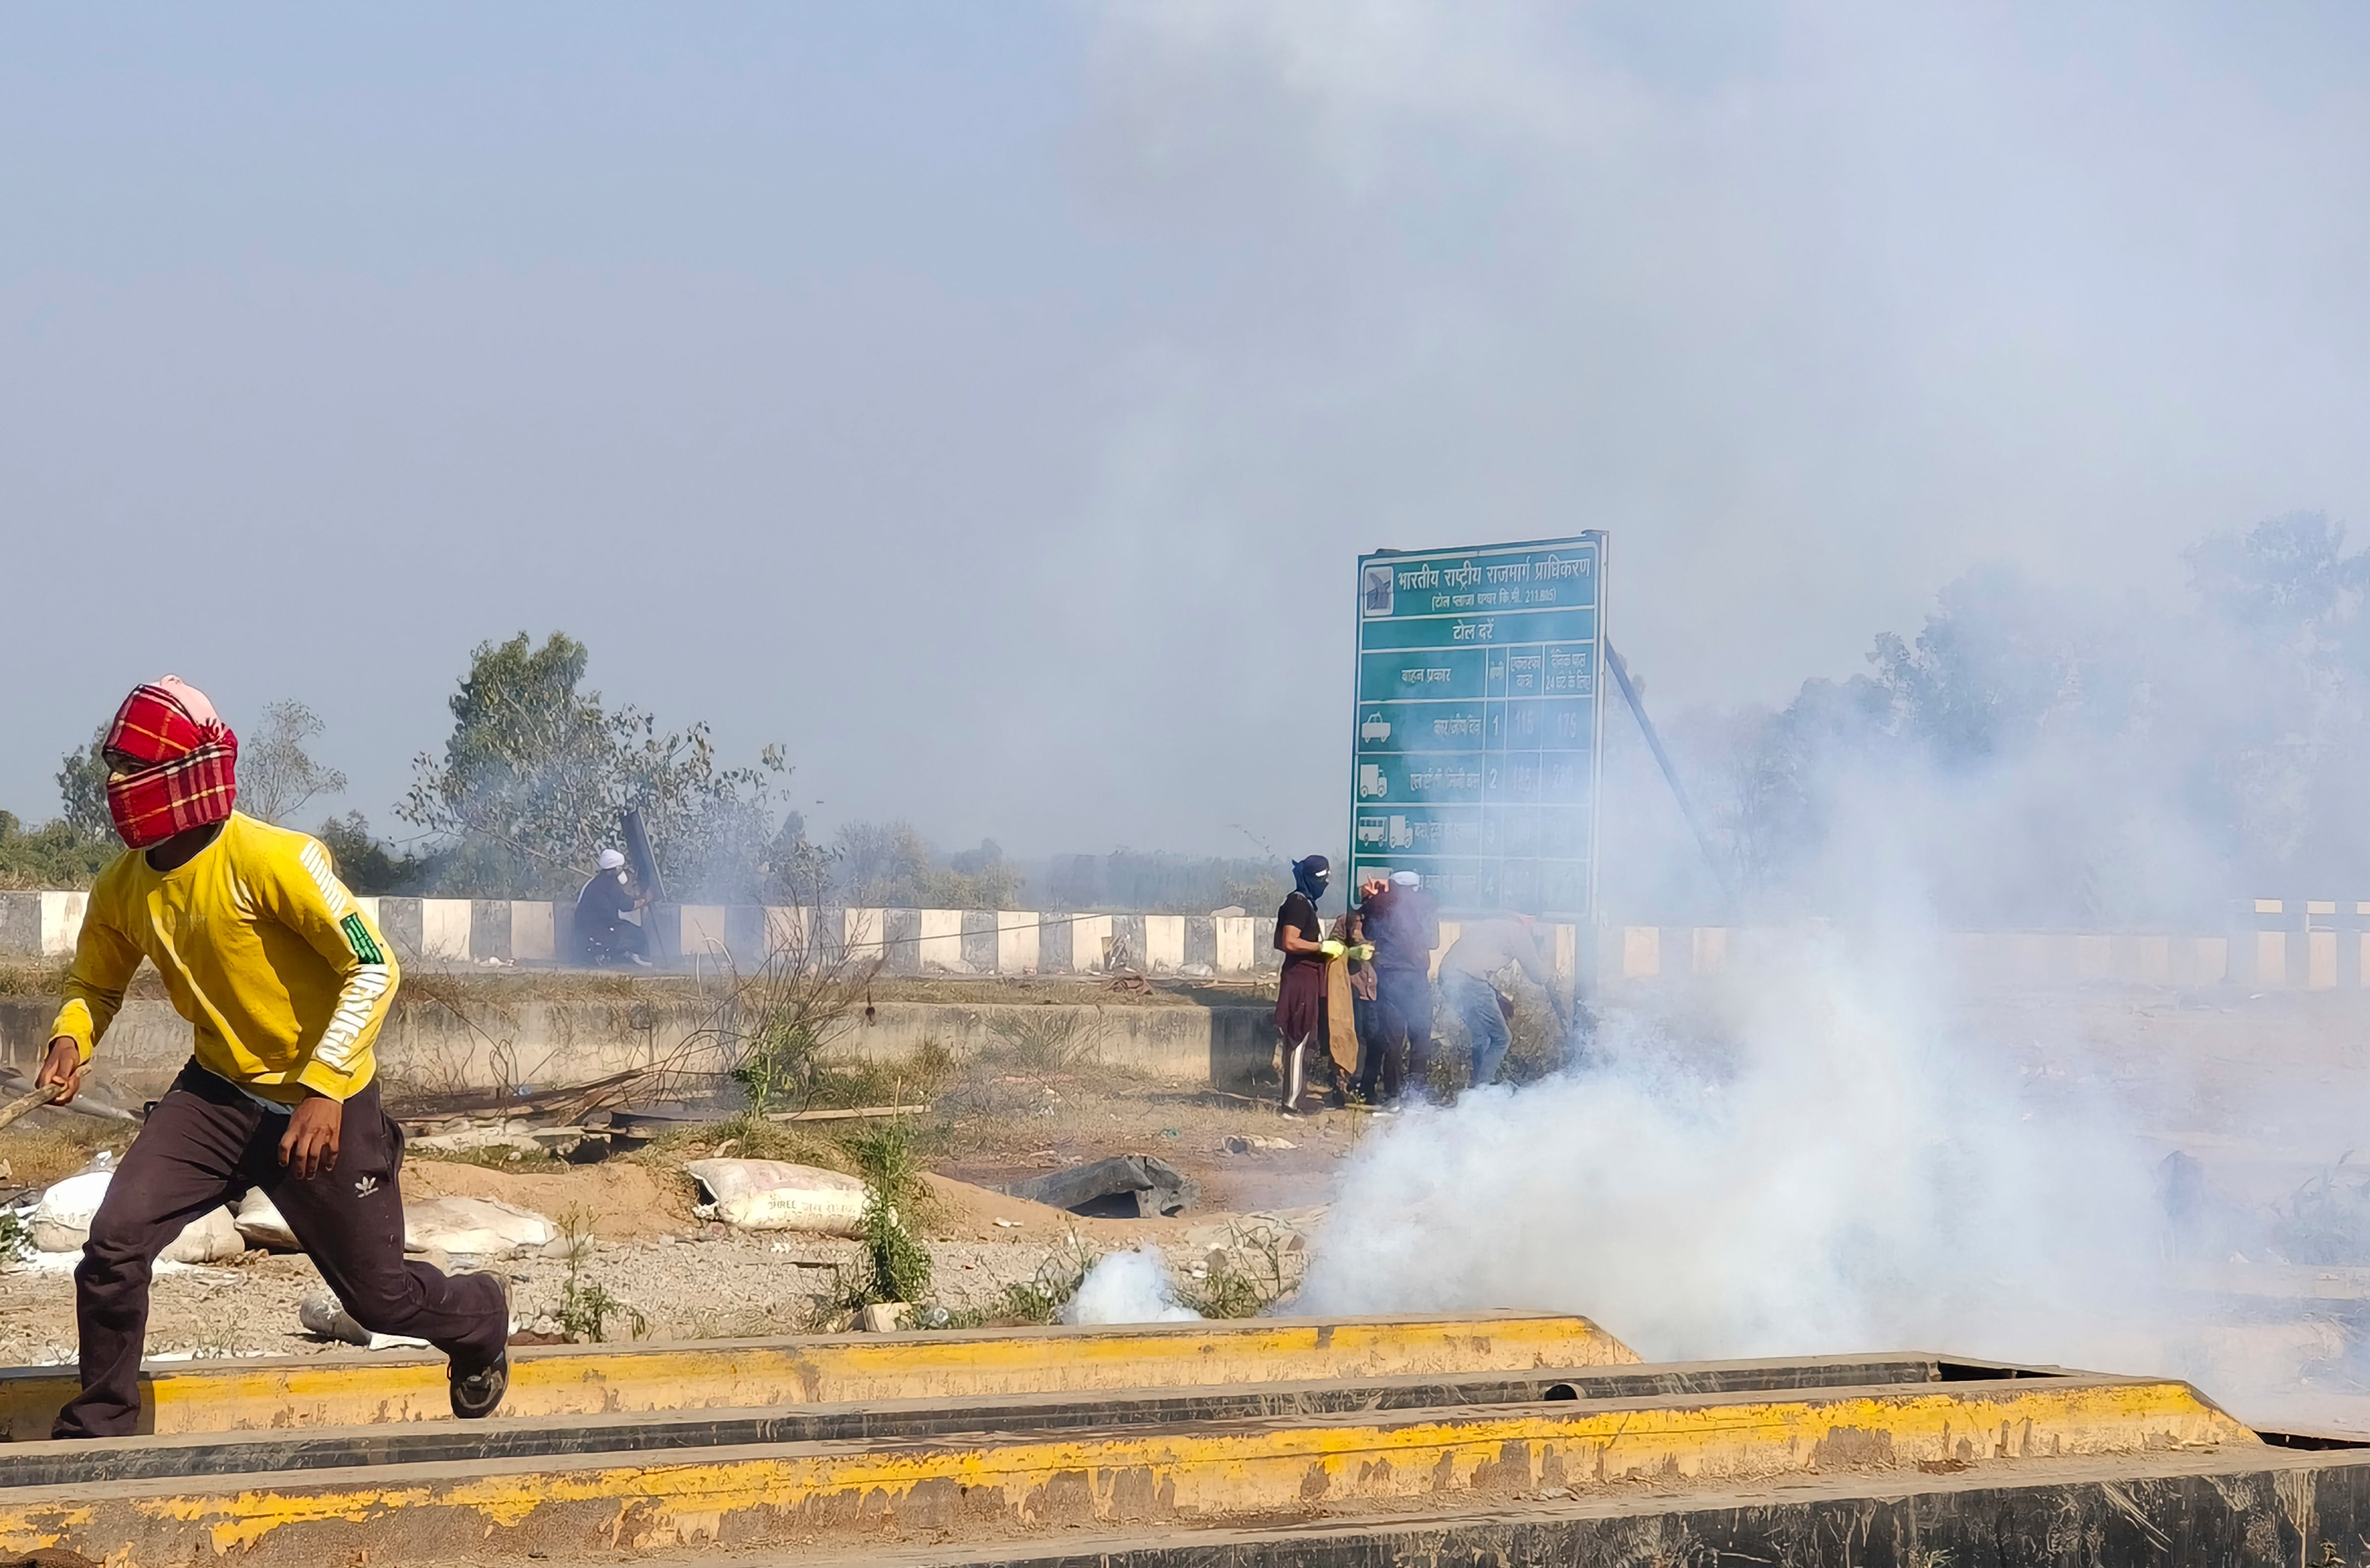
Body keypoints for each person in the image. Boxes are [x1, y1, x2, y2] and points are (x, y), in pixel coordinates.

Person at [34, 678, 513, 1439]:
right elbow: (94, 981)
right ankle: (99, 1430)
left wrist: (324, 1088)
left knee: (379, 1299)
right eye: (111, 763)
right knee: (115, 1241)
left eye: (129, 764)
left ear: (180, 771)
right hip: (215, 1097)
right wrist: (72, 1036)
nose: (113, 782)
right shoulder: (123, 886)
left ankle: (482, 1315)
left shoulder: (277, 859)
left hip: (326, 1104)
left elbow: (374, 965)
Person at [1437, 912, 1569, 1088]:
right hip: (1470, 980)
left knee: (1481, 1036)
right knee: (1501, 1038)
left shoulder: (1492, 922)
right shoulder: (1518, 932)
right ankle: (1482, 1089)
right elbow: (1538, 975)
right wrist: (1552, 974)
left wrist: (1497, 995)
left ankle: (1475, 1088)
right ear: (1528, 918)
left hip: (1448, 977)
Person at [1271, 855, 1342, 1115]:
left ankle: (1298, 1098)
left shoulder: (1305, 904)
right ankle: (1290, 1104)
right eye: (1322, 879)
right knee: (1299, 1039)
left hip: (1308, 978)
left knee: (1308, 1039)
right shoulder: (1298, 903)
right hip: (1300, 979)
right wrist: (1321, 947)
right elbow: (1289, 942)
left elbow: (1280, 942)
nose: (1325, 884)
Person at [1364, 869, 1440, 1096]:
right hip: (1417, 978)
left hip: (1391, 979)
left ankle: (1393, 1096)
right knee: (1420, 1034)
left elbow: (1368, 932)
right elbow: (1434, 942)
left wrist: (1373, 899)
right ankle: (1415, 1095)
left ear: (1393, 884)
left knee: (1393, 1040)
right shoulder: (1428, 904)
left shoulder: (1383, 903)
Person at [1335, 879, 1400, 1105]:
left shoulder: (1391, 921)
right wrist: (1352, 953)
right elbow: (1332, 948)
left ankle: (1368, 1087)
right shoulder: (1348, 919)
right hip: (1356, 989)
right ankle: (1346, 1085)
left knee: (1379, 1042)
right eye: (1369, 897)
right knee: (1354, 1040)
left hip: (1382, 990)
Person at [574, 848, 651, 966]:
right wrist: (645, 899)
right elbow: (628, 906)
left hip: (585, 928)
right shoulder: (610, 885)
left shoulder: (594, 882)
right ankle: (607, 953)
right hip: (600, 928)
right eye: (621, 867)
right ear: (617, 869)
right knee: (638, 936)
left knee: (626, 929)